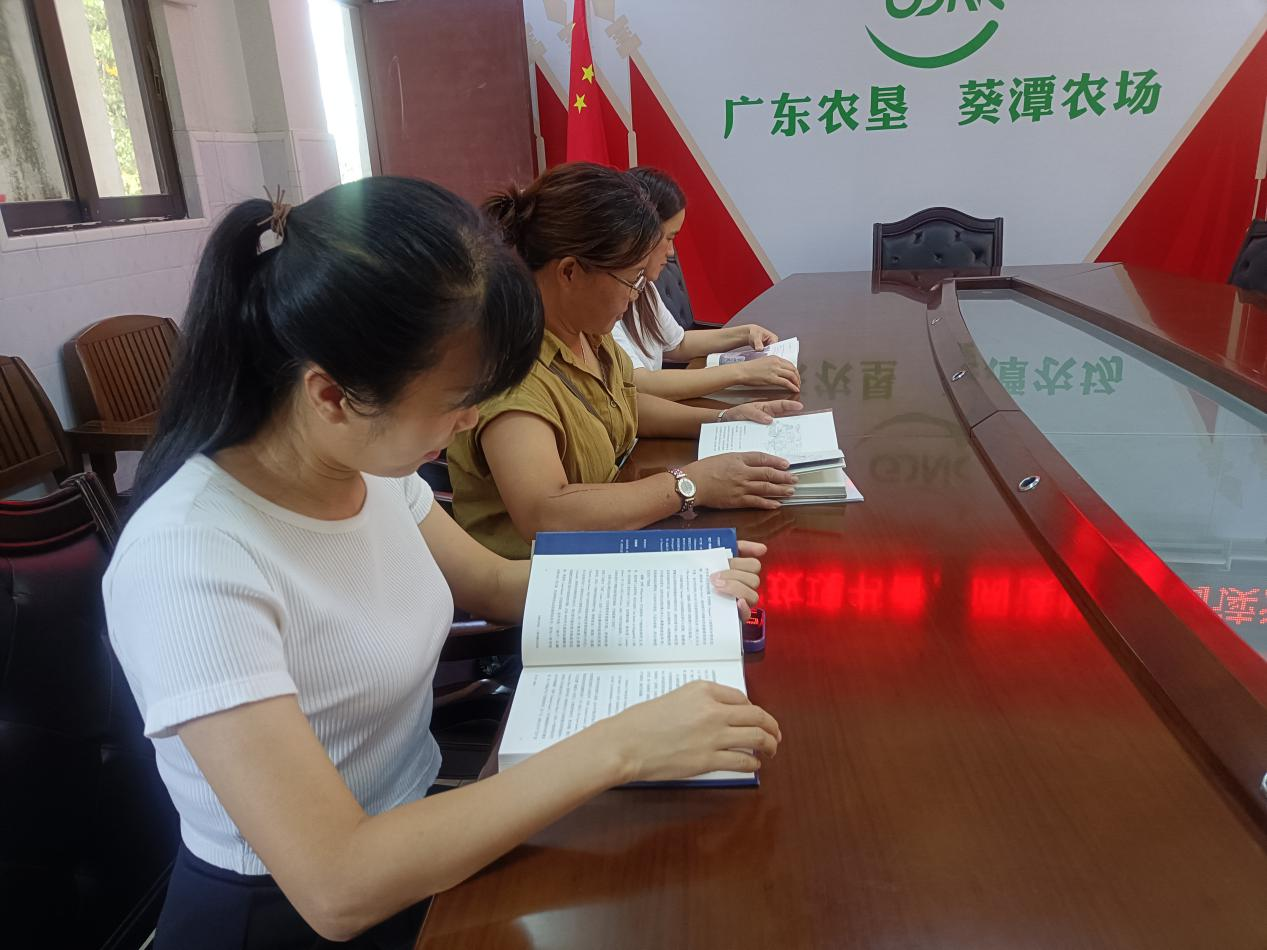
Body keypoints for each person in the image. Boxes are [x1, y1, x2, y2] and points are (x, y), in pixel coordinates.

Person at [103, 177, 781, 950]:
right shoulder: (189, 559)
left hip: (430, 834)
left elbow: (493, 583)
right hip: (292, 917)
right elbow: (336, 884)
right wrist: (624, 745)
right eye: (459, 399)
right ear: (331, 394)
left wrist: (672, 579)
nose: (471, 421)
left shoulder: (366, 469)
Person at [446, 162, 804, 560]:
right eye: (632, 278)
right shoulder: (512, 369)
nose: (636, 294)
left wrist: (722, 419)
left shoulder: (587, 333)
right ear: (570, 272)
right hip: (547, 579)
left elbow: (623, 402)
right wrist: (690, 484)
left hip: (609, 537)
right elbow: (545, 513)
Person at [610, 166, 801, 399]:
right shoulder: (606, 298)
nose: (671, 252)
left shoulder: (643, 287)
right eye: (669, 238)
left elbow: (676, 344)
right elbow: (640, 385)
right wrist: (742, 372)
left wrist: (746, 333)